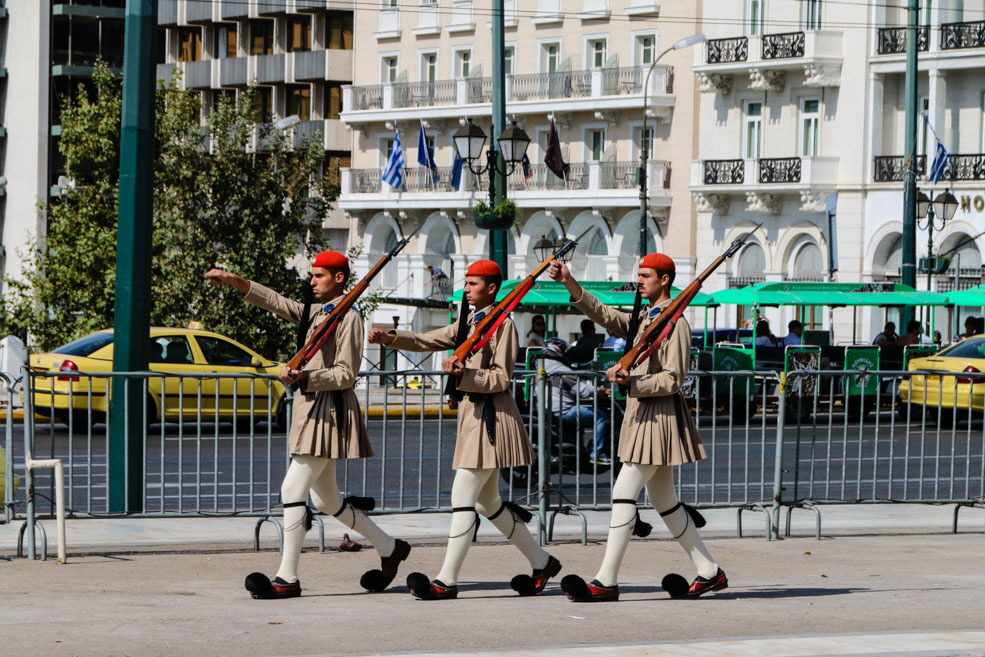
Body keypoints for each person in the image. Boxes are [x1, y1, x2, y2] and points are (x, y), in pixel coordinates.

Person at [206, 252, 411, 600]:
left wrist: (305, 376)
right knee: (327, 499)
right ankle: (390, 547)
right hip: (310, 409)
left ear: (340, 279)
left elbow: (346, 373)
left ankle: (287, 578)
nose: (312, 281)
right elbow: (275, 301)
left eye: (319, 276)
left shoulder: (350, 318)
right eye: (312, 275)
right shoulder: (317, 312)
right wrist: (235, 281)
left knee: (292, 490)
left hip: (328, 411)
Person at [368, 259, 561, 600]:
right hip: (472, 417)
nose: (467, 289)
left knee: (463, 498)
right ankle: (542, 562)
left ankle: (446, 580)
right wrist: (390, 337)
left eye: (473, 284)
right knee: (488, 504)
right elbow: (428, 340)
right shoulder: (469, 321)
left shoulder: (503, 325)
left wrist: (463, 374)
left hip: (492, 418)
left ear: (491, 288)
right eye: (467, 283)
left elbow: (502, 377)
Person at [549, 253, 726, 602]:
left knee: (623, 493)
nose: (640, 280)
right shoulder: (647, 316)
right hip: (642, 417)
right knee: (666, 502)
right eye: (640, 274)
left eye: (646, 275)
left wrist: (632, 382)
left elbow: (675, 378)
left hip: (657, 417)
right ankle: (709, 571)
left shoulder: (675, 323)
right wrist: (570, 282)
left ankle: (606, 580)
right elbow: (604, 314)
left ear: (665, 280)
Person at [541, 337, 611, 464]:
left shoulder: (541, 365)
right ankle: (597, 453)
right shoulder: (560, 369)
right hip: (564, 410)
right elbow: (583, 390)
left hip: (547, 409)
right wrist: (602, 390)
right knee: (600, 417)